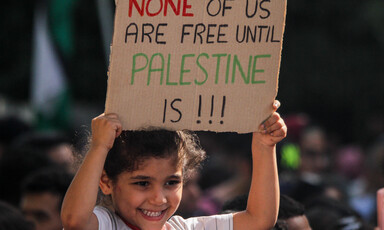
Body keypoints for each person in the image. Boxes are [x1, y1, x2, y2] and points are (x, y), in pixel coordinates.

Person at [61, 101, 287, 230]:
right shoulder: (105, 224)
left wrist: (264, 146)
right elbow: (74, 220)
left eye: (171, 182)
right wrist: (99, 146)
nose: (158, 198)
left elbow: (260, 219)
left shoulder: (183, 228)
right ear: (106, 182)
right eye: (142, 183)